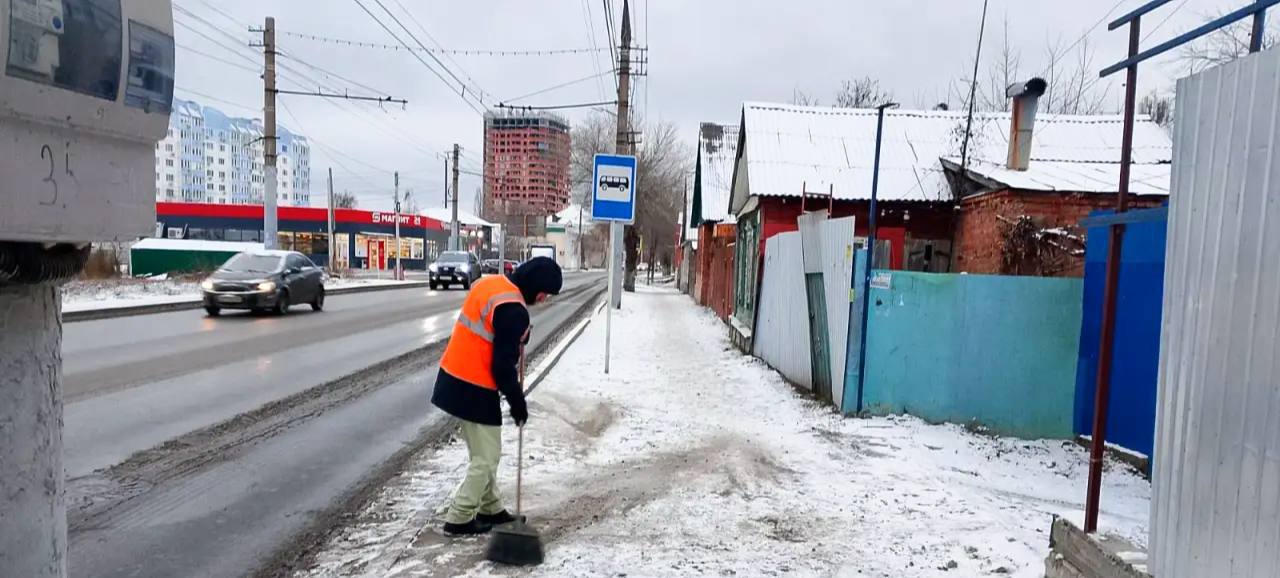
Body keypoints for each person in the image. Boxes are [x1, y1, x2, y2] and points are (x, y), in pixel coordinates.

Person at [431, 256, 562, 535]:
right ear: (535, 286)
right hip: (473, 385)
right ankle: (460, 515)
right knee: (487, 458)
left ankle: (490, 507)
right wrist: (518, 402)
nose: (543, 299)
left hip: (454, 376)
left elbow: (493, 329)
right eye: (545, 293)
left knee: (483, 452)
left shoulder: (492, 285)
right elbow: (502, 367)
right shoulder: (514, 310)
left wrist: (517, 337)